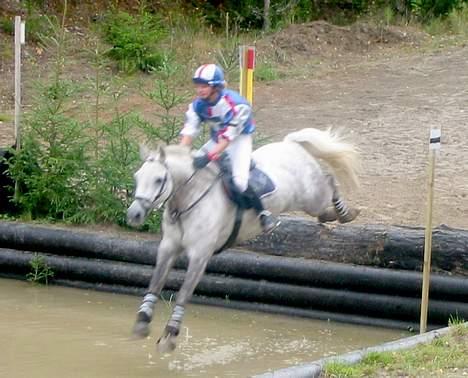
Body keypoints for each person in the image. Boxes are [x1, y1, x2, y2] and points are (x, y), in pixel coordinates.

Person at [179, 63, 280, 234]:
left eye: (205, 86)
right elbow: (189, 132)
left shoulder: (236, 105)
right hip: (217, 139)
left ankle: (263, 214)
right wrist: (179, 154)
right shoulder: (197, 105)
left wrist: (209, 156)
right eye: (198, 85)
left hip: (239, 140)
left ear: (216, 87)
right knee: (190, 169)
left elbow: (228, 137)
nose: (200, 90)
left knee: (239, 182)